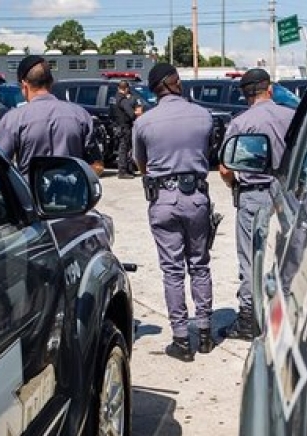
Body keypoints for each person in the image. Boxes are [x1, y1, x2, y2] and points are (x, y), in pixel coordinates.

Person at [133, 62, 216, 362]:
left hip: (163, 199)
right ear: (176, 82)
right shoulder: (203, 115)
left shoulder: (144, 123)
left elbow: (140, 164)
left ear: (154, 89)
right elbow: (208, 152)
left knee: (172, 270)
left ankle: (181, 340)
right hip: (196, 197)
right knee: (200, 264)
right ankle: (205, 333)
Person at [217, 68, 294, 340]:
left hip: (252, 194)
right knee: (288, 256)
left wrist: (233, 184)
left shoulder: (240, 123)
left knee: (251, 260)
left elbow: (226, 168)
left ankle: (249, 321)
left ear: (244, 94)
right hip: (287, 195)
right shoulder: (292, 116)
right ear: (269, 89)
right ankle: (289, 315)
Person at [0, 55, 103, 176]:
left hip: (30, 192)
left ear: (24, 85)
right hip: (71, 192)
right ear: (51, 83)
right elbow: (97, 165)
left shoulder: (13, 119)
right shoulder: (81, 115)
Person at [110, 80, 137, 178]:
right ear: (126, 89)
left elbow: (111, 113)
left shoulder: (113, 99)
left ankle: (127, 170)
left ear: (118, 88)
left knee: (122, 149)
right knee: (125, 149)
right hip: (125, 127)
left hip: (117, 126)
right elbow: (131, 114)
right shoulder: (123, 100)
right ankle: (123, 171)